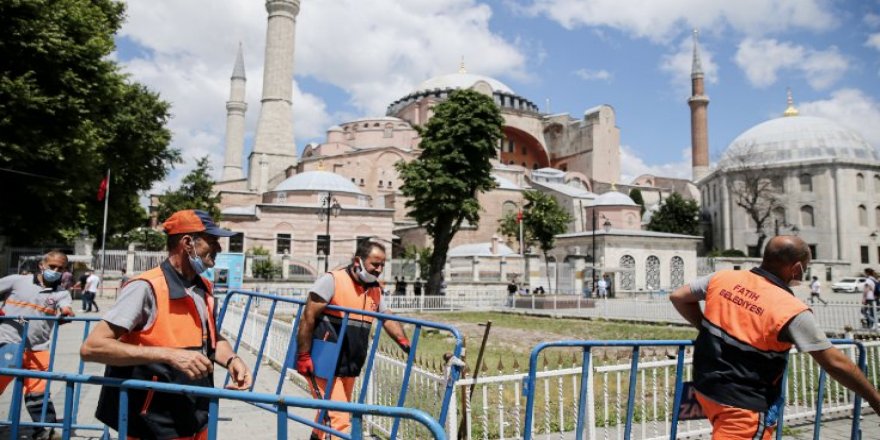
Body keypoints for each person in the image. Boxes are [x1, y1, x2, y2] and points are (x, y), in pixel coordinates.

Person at [670, 236, 880, 439]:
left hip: (707, 389)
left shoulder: (724, 278)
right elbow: (834, 363)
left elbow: (678, 296)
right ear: (797, 268)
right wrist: (875, 399)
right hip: (742, 409)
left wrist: (705, 328)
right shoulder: (790, 309)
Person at [80, 210, 252, 440]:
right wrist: (169, 355)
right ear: (187, 243)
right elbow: (92, 347)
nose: (219, 249)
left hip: (196, 414)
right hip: (153, 420)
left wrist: (232, 359)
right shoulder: (145, 287)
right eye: (212, 241)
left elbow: (210, 338)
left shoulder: (204, 287)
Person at [295, 240, 410, 440]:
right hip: (323, 363)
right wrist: (304, 355)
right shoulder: (333, 280)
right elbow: (308, 316)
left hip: (350, 364)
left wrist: (403, 341)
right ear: (358, 261)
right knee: (339, 421)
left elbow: (386, 316)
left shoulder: (374, 289)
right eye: (375, 264)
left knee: (328, 415)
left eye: (382, 265)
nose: (379, 269)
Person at [0, 250, 75, 440]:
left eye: (60, 268)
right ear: (42, 265)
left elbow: (66, 306)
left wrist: (66, 313)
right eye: (52, 267)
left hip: (39, 348)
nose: (55, 271)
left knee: (39, 392)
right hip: (8, 342)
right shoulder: (18, 281)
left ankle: (44, 429)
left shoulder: (61, 293)